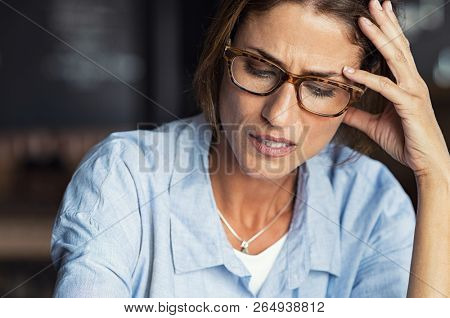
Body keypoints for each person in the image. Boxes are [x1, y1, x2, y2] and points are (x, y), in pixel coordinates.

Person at [50, 0, 450, 297]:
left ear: (356, 95)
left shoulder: (371, 203)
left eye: (321, 88)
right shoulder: (124, 177)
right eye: (259, 69)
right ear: (221, 57)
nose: (278, 114)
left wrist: (437, 177)